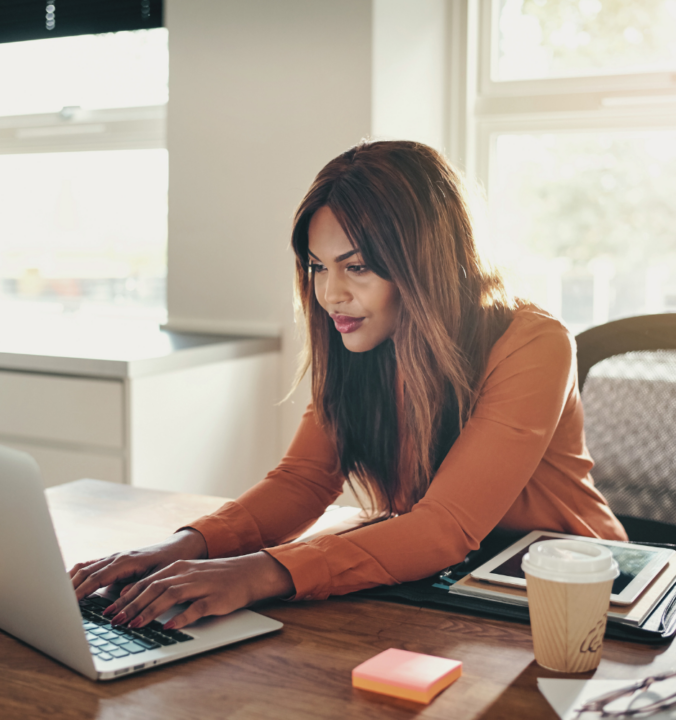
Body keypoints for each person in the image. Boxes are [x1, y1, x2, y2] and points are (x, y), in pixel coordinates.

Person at [70, 140, 627, 631]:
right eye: (317, 267)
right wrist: (179, 547)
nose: (330, 294)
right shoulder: (358, 338)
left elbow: (443, 527)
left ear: (426, 262)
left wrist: (254, 573)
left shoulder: (534, 342)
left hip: (580, 596)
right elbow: (305, 481)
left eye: (356, 266)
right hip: (444, 589)